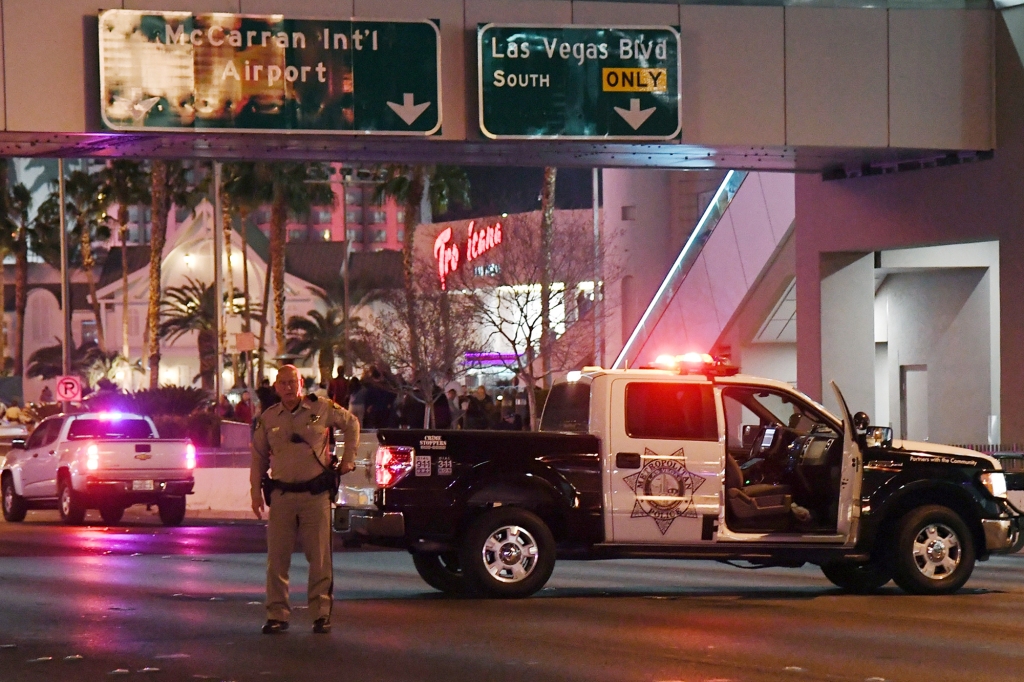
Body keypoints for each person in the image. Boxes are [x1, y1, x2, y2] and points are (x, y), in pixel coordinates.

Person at [250, 365, 360, 635]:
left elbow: (352, 424)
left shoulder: (321, 408)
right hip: (282, 496)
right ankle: (277, 614)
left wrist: (348, 460)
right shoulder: (269, 418)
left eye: (292, 382)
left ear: (301, 383)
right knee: (277, 560)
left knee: (320, 558)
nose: (288, 387)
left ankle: (321, 614)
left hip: (315, 496)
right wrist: (254, 492)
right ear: (276, 387)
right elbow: (258, 457)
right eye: (283, 383)